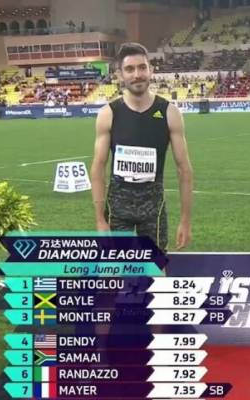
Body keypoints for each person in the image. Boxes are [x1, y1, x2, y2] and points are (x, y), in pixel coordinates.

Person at [91, 42, 193, 252]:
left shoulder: (169, 113)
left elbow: (184, 169)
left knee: (155, 269)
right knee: (116, 270)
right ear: (120, 74)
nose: (137, 75)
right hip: (117, 211)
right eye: (129, 69)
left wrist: (185, 220)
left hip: (153, 211)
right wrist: (100, 220)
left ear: (151, 70)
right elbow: (98, 167)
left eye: (142, 67)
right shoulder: (109, 114)